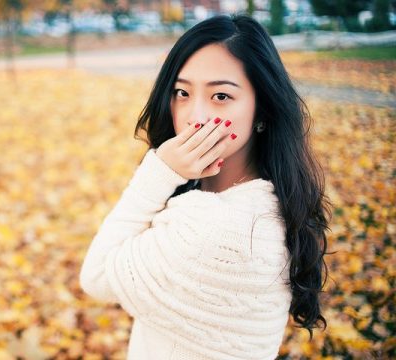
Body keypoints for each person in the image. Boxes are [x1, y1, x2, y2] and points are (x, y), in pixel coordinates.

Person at [79, 13, 331, 360]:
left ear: (262, 111)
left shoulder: (218, 226)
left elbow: (95, 276)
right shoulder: (262, 199)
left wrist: (159, 172)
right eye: (182, 92)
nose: (194, 115)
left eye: (221, 96)